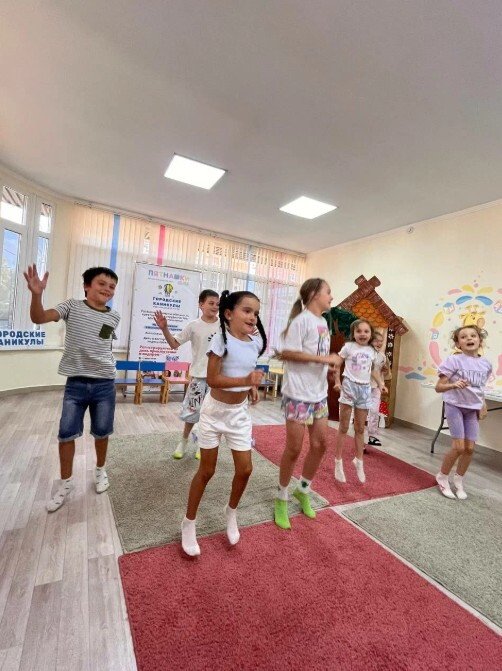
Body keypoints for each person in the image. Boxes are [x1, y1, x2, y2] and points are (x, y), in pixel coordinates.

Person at [23, 264, 120, 512]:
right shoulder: (71, 307)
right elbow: (38, 318)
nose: (107, 289)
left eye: (112, 286)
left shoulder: (114, 316)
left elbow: (103, 344)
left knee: (102, 432)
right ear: (87, 286)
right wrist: (36, 295)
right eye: (101, 284)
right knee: (66, 434)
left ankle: (100, 470)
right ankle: (65, 483)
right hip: (76, 383)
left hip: (105, 383)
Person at [181, 290, 267, 556]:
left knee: (245, 469)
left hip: (238, 414)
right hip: (214, 413)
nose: (252, 317)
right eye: (247, 311)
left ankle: (231, 512)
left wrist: (251, 388)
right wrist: (246, 381)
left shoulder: (254, 342)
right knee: (207, 471)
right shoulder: (221, 340)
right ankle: (188, 522)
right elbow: (213, 380)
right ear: (229, 314)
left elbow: (246, 370)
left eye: (256, 313)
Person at [274, 278, 339, 531]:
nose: (331, 297)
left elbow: (317, 356)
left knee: (320, 445)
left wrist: (328, 368)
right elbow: (287, 353)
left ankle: (303, 489)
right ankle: (281, 497)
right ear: (314, 294)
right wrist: (324, 359)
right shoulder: (300, 321)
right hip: (297, 394)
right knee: (293, 449)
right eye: (328, 292)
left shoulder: (323, 322)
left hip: (318, 394)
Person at [154, 289, 219, 460]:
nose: (215, 307)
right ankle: (183, 441)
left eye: (217, 304)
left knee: (211, 415)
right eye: (211, 303)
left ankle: (203, 444)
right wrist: (165, 328)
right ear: (201, 304)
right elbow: (174, 344)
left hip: (218, 379)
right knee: (192, 412)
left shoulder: (224, 326)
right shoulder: (193, 325)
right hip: (198, 377)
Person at [435, 325, 491, 500]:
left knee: (470, 448)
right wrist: (453, 385)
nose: (469, 338)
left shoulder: (486, 364)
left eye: (473, 335)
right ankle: (442, 476)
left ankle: (458, 480)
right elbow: (439, 387)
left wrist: (483, 404)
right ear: (458, 344)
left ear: (480, 340)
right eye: (464, 337)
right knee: (458, 447)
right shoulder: (453, 361)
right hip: (455, 406)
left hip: (472, 409)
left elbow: (480, 389)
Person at [333, 319, 387, 484]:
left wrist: (381, 384)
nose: (362, 334)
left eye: (366, 331)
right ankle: (338, 461)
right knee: (343, 427)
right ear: (353, 333)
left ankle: (359, 461)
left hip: (364, 390)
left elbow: (373, 371)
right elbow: (337, 365)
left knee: (359, 428)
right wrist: (337, 382)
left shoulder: (372, 351)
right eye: (359, 331)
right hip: (349, 387)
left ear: (370, 334)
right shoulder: (348, 347)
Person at [366, 330, 390, 447]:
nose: (379, 343)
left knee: (374, 411)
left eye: (381, 341)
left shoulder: (382, 356)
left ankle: (372, 435)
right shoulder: (366, 353)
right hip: (365, 385)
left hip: (376, 387)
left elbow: (384, 371)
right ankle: (360, 439)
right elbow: (370, 369)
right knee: (362, 412)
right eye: (376, 341)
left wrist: (385, 370)